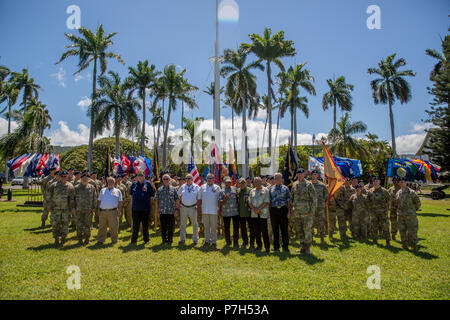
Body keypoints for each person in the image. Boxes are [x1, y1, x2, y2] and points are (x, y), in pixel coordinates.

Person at [291, 168, 317, 254]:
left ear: (304, 175)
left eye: (302, 174)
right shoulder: (294, 185)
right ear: (297, 175)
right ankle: (303, 247)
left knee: (307, 230)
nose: (300, 175)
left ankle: (308, 248)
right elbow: (292, 198)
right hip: (297, 212)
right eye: (298, 174)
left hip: (307, 212)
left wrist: (312, 211)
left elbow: (314, 199)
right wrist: (292, 210)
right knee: (299, 230)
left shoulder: (309, 185)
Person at [48, 171, 75, 246]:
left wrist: (72, 208)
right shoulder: (54, 185)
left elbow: (72, 199)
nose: (64, 177)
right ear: (59, 177)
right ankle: (56, 239)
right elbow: (49, 196)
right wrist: (49, 206)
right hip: (55, 209)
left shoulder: (70, 186)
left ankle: (63, 238)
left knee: (65, 224)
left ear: (67, 177)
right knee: (55, 224)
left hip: (66, 209)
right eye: (62, 176)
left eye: (65, 176)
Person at [129, 170, 155, 244]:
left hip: (145, 209)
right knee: (135, 225)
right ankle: (134, 240)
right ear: (137, 176)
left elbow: (152, 195)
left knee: (145, 225)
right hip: (135, 209)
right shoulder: (133, 184)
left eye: (141, 175)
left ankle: (146, 240)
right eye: (138, 175)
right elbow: (130, 195)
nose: (140, 177)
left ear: (144, 176)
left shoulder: (148, 184)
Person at [396, 177, 421, 251]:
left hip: (410, 215)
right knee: (402, 230)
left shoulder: (411, 192)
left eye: (403, 181)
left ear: (406, 182)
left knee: (412, 231)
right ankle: (404, 245)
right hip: (400, 215)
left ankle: (414, 246)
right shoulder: (398, 192)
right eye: (400, 182)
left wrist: (412, 210)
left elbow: (418, 203)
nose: (401, 183)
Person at [269, 173, 291, 252]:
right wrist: (269, 212)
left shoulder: (286, 188)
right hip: (274, 211)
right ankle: (276, 247)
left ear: (282, 179)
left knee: (284, 229)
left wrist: (289, 212)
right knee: (275, 229)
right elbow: (270, 201)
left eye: (279, 178)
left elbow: (288, 201)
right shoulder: (271, 189)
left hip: (283, 210)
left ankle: (285, 247)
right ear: (274, 179)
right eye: (275, 178)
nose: (277, 179)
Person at [154, 174, 180, 245]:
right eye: (164, 179)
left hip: (171, 211)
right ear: (162, 180)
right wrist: (157, 212)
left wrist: (176, 210)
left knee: (171, 227)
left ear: (169, 180)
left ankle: (170, 240)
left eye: (167, 179)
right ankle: (164, 240)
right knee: (163, 227)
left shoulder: (173, 189)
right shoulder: (159, 190)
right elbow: (156, 201)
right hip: (162, 212)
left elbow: (177, 200)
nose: (165, 180)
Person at [96, 177, 123, 245]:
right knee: (102, 226)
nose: (110, 183)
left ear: (114, 183)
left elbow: (120, 202)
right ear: (107, 182)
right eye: (109, 182)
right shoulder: (102, 190)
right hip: (103, 211)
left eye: (112, 182)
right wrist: (98, 209)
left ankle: (114, 240)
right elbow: (99, 200)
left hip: (113, 211)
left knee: (113, 227)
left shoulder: (118, 191)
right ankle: (100, 240)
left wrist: (119, 210)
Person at [197, 173, 220, 247]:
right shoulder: (202, 187)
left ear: (214, 179)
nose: (209, 179)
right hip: (205, 210)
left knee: (213, 227)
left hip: (214, 210)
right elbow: (199, 199)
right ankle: (207, 241)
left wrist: (219, 209)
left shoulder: (217, 188)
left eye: (211, 178)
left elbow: (219, 200)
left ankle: (213, 241)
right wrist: (199, 209)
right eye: (208, 178)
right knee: (206, 227)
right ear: (206, 179)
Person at [248, 177, 270, 253]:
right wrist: (254, 209)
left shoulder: (266, 190)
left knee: (264, 231)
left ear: (261, 182)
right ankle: (259, 245)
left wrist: (259, 209)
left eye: (258, 182)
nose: (256, 183)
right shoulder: (251, 191)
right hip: (254, 214)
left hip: (263, 214)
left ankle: (267, 247)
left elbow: (267, 201)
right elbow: (250, 202)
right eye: (255, 182)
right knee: (256, 230)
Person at [367, 177, 391, 247]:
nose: (375, 182)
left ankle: (388, 241)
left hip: (383, 213)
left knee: (385, 227)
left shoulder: (384, 191)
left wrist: (386, 208)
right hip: (374, 213)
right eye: (374, 181)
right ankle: (374, 240)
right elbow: (367, 201)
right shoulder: (370, 191)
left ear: (380, 182)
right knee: (374, 226)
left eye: (377, 181)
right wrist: (370, 208)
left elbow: (389, 200)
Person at [73, 173, 96, 245]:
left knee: (88, 225)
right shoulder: (76, 188)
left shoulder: (92, 187)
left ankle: (87, 239)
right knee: (79, 225)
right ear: (81, 179)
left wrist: (94, 207)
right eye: (83, 178)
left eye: (86, 178)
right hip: (79, 210)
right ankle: (79, 239)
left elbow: (94, 198)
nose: (85, 179)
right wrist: (73, 208)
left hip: (88, 210)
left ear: (88, 179)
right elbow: (72, 199)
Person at [177, 174, 200, 245]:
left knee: (194, 224)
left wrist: (197, 205)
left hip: (193, 207)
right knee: (183, 224)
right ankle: (182, 239)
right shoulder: (183, 187)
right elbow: (178, 195)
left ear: (192, 179)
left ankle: (195, 239)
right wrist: (178, 204)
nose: (187, 179)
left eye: (189, 178)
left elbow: (199, 197)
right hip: (183, 207)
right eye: (186, 178)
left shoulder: (196, 187)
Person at [219, 176, 240, 248]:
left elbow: (238, 199)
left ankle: (236, 242)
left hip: (235, 212)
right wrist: (224, 199)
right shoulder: (221, 191)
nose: (228, 183)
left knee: (236, 228)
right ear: (224, 183)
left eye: (229, 182)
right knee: (227, 228)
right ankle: (228, 242)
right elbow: (220, 202)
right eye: (226, 182)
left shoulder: (235, 189)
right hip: (226, 213)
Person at [311, 170, 329, 244]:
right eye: (313, 174)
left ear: (317, 176)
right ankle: (311, 238)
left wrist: (323, 203)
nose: (314, 176)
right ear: (311, 175)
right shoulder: (308, 185)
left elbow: (326, 195)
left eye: (316, 174)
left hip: (320, 208)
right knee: (311, 223)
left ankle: (322, 238)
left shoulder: (322, 185)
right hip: (311, 207)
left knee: (321, 222)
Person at [237, 177, 254, 249]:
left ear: (246, 183)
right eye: (241, 183)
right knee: (243, 229)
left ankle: (252, 243)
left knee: (251, 228)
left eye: (243, 183)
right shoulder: (238, 191)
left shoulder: (250, 190)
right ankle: (245, 242)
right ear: (239, 184)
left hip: (249, 213)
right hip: (241, 213)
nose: (242, 184)